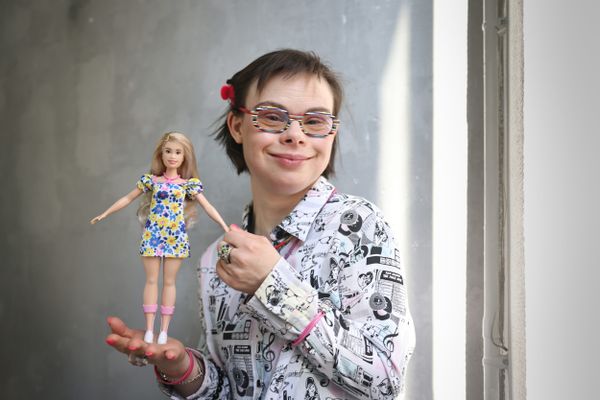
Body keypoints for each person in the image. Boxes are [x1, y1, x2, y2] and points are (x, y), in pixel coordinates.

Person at [105, 49, 415, 399]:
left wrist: (273, 284)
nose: (295, 135)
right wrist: (183, 370)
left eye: (314, 122)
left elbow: (385, 380)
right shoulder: (216, 261)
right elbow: (231, 390)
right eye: (271, 117)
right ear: (237, 126)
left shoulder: (360, 227)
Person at [92, 132, 229, 345]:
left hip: (175, 237)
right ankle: (149, 328)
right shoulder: (151, 181)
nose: (172, 156)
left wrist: (223, 225)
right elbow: (128, 198)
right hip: (153, 234)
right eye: (168, 151)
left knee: (169, 282)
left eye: (177, 152)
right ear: (161, 153)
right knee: (151, 281)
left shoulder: (188, 185)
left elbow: (207, 205)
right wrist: (105, 213)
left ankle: (163, 331)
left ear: (185, 156)